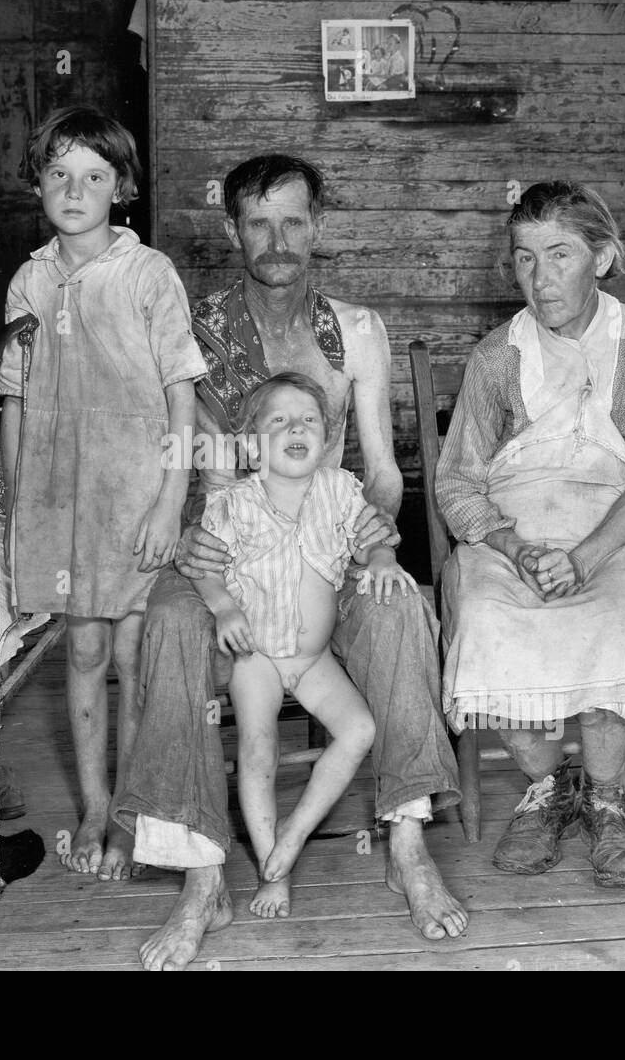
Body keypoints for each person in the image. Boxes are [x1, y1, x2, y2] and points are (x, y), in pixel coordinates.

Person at [115, 154, 467, 971]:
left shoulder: (357, 330)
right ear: (232, 227)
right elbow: (173, 454)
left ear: (319, 227)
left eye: (293, 221)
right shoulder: (193, 330)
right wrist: (194, 532)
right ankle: (202, 873)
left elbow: (380, 469)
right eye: (257, 222)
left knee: (400, 605)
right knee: (167, 621)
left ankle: (408, 839)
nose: (276, 240)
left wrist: (374, 542)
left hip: (328, 538)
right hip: (225, 538)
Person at [436, 180, 625, 890]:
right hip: (514, 531)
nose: (540, 279)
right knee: (487, 613)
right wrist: (515, 549)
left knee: (610, 614)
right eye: (524, 259)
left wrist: (583, 559)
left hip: (618, 528)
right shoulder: (495, 357)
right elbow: (457, 483)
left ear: (602, 258)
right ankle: (547, 790)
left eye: (560, 254)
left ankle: (607, 799)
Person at [0, 106, 206, 882]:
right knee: (81, 646)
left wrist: (169, 501)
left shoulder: (149, 273)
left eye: (93, 176)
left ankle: (134, 808)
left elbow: (183, 394)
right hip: (60, 495)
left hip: (135, 491)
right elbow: (14, 399)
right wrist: (19, 504)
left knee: (132, 649)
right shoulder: (29, 279)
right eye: (58, 174)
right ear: (39, 186)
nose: (74, 189)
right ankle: (93, 800)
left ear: (120, 186)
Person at [195, 372, 415, 919]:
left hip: (314, 659)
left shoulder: (340, 489)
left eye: (309, 420)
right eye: (279, 420)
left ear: (325, 436)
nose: (297, 427)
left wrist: (383, 561)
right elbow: (206, 570)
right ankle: (275, 869)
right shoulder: (233, 503)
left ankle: (294, 831)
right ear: (250, 444)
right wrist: (223, 606)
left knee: (360, 728)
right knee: (258, 748)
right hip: (258, 658)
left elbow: (373, 538)